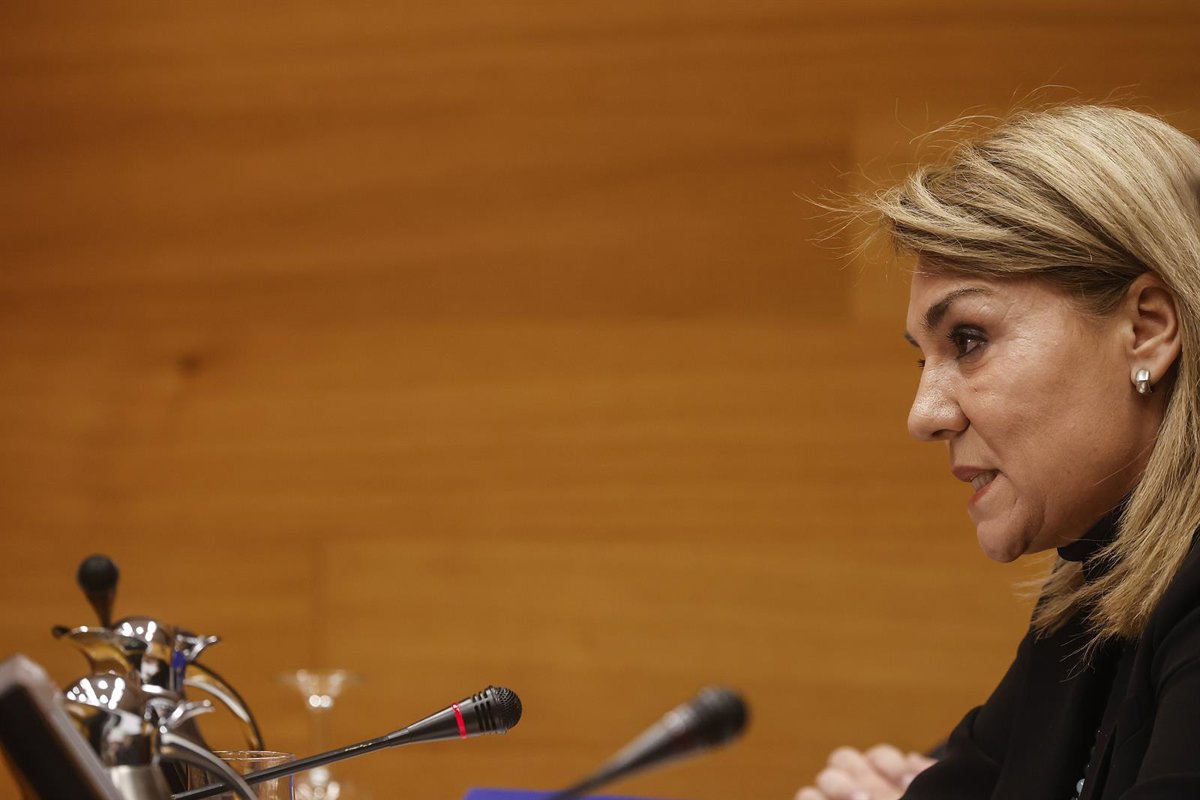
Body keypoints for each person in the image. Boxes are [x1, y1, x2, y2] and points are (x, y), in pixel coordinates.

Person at [796, 104, 1200, 800]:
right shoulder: (1092, 588)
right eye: (922, 358)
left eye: (969, 341)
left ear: (1147, 330)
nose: (924, 416)